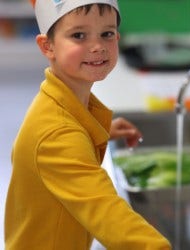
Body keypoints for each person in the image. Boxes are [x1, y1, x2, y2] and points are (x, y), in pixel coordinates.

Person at [4, 1, 171, 249]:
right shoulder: (58, 135)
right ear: (47, 46)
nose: (97, 47)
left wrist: (94, 132)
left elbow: (65, 140)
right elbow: (108, 213)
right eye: (78, 35)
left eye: (107, 34)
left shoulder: (60, 106)